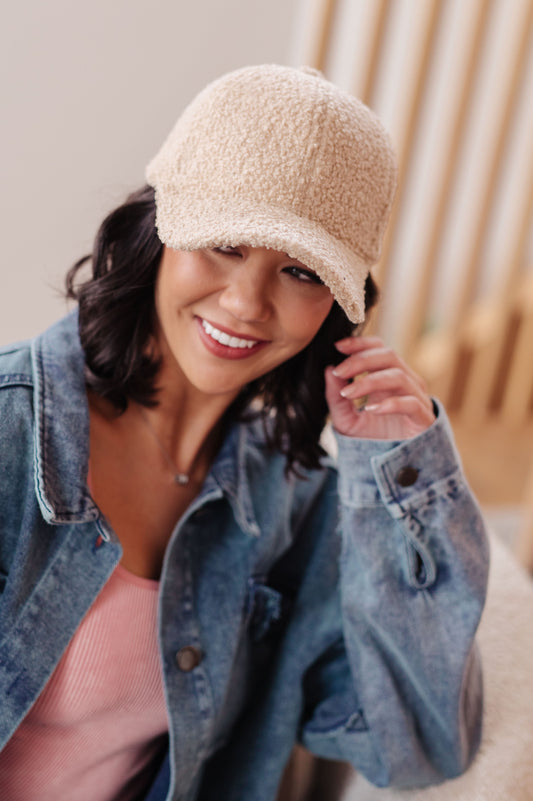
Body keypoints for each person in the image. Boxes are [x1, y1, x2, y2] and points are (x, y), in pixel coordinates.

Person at [0, 65, 489, 801]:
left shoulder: (295, 508)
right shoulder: (13, 431)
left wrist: (403, 476)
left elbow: (418, 745)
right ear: (158, 230)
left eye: (299, 271)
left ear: (336, 305)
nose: (245, 303)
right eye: (224, 244)